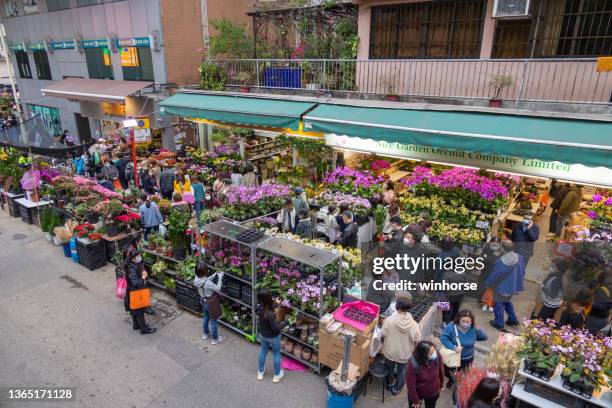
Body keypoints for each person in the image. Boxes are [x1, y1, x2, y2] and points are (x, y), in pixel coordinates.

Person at [381, 297, 422, 396]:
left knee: (389, 368)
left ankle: (389, 384)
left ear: (396, 306)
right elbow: (418, 340)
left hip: (390, 351)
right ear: (410, 308)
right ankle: (396, 389)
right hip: (405, 353)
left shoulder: (389, 320)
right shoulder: (413, 324)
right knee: (402, 372)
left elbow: (382, 334)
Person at [440, 310, 487, 388]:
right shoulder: (451, 326)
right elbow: (444, 338)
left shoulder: (473, 329)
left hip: (467, 358)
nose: (465, 323)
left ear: (471, 321)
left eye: (468, 322)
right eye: (463, 321)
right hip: (453, 357)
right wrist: (454, 347)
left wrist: (479, 330)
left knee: (463, 374)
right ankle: (451, 381)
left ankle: (459, 384)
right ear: (459, 319)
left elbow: (484, 337)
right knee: (450, 372)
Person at [485, 241, 525, 330]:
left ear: (502, 249)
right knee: (507, 301)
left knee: (498, 305)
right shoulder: (519, 257)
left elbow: (495, 274)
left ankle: (499, 323)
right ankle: (513, 319)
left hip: (502, 287)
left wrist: (488, 283)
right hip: (513, 286)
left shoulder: (502, 261)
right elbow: (523, 271)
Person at [256, 288, 287, 382]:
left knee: (263, 352)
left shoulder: (258, 307)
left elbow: (266, 307)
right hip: (273, 337)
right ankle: (277, 375)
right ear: (269, 299)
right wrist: (285, 323)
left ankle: (260, 372)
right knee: (276, 354)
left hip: (263, 335)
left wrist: (276, 304)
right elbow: (275, 328)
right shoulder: (269, 314)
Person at [125, 250, 156, 334]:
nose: (140, 258)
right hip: (135, 292)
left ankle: (136, 325)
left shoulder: (132, 264)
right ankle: (144, 329)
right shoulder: (131, 268)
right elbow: (136, 284)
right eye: (138, 257)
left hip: (132, 291)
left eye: (139, 256)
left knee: (134, 309)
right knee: (139, 311)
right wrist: (143, 277)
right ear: (133, 259)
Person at [405, 341, 444, 408]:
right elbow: (411, 385)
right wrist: (415, 400)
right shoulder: (412, 364)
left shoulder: (436, 355)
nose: (435, 353)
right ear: (423, 355)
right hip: (417, 393)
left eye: (434, 350)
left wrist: (441, 384)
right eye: (431, 353)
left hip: (432, 392)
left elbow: (441, 370)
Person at [193, 263, 225, 345]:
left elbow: (204, 281)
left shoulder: (196, 279)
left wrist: (214, 275)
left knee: (206, 317)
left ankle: (205, 334)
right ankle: (215, 339)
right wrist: (220, 278)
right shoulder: (207, 283)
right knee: (213, 320)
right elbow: (218, 288)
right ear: (206, 272)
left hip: (203, 300)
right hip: (211, 302)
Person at [441, 238, 467, 325]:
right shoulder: (463, 273)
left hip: (448, 296)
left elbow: (443, 287)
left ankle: (445, 323)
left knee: (446, 311)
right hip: (460, 295)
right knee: (455, 309)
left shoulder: (447, 274)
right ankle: (453, 322)